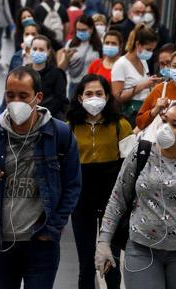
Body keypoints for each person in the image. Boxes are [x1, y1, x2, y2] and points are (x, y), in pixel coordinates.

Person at [0, 66, 81, 289]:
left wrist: (53, 228)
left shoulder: (59, 135)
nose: (15, 101)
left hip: (40, 244)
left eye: (23, 96)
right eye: (10, 95)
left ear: (38, 97)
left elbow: (72, 186)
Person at [95, 100, 176, 289]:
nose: (166, 128)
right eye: (165, 121)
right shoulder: (141, 153)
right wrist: (103, 241)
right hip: (141, 249)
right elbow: (118, 199)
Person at [67, 74, 133, 289]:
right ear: (79, 98)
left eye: (99, 94)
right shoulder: (69, 128)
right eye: (88, 94)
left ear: (107, 97)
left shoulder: (120, 126)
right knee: (85, 264)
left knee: (111, 262)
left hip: (112, 203)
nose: (94, 98)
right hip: (81, 202)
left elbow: (129, 168)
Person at [0, 35, 68, 119]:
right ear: (30, 50)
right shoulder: (23, 73)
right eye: (35, 49)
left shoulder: (57, 74)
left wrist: (41, 115)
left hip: (49, 117)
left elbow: (59, 100)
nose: (37, 52)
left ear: (48, 51)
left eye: (41, 49)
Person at [111, 24, 161, 126]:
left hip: (145, 111)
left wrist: (152, 83)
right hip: (129, 116)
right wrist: (143, 85)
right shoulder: (121, 64)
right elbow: (118, 96)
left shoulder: (143, 61)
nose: (150, 53)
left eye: (152, 50)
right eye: (148, 49)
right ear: (138, 44)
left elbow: (146, 84)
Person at [58, 14, 102, 97]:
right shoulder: (70, 44)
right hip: (74, 85)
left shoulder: (98, 46)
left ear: (91, 29)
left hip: (92, 86)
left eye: (84, 30)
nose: (81, 32)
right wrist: (67, 58)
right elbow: (61, 69)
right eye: (78, 30)